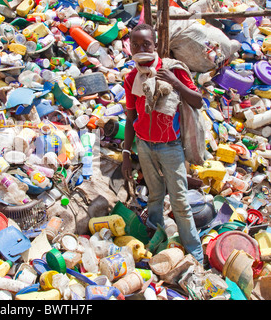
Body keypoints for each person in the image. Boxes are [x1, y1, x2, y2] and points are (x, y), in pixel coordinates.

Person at [121, 23, 204, 264]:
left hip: (170, 146)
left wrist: (175, 83)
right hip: (144, 145)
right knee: (155, 195)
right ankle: (156, 241)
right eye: (135, 44)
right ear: (130, 48)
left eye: (146, 44)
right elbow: (130, 117)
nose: (140, 48)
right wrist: (127, 153)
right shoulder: (132, 78)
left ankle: (196, 255)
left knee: (179, 201)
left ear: (155, 45)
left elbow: (198, 101)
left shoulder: (173, 70)